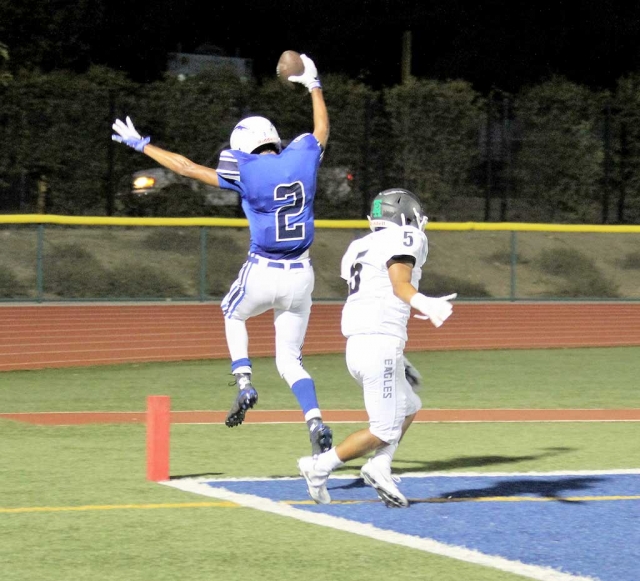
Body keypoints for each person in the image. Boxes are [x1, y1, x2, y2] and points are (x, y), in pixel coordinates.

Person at [111, 54, 333, 456]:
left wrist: (143, 145)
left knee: (233, 312)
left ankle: (245, 381)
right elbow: (321, 129)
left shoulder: (245, 169)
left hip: (264, 268)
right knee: (289, 359)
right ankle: (314, 418)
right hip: (302, 274)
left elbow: (187, 167)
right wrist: (313, 84)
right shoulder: (302, 155)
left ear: (243, 146)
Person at [297, 188, 456, 507]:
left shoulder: (359, 246)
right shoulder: (407, 236)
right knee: (383, 429)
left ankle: (380, 465)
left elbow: (374, 293)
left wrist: (399, 358)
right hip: (378, 344)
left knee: (409, 405)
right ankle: (318, 466)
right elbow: (399, 284)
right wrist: (424, 302)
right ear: (405, 216)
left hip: (361, 344)